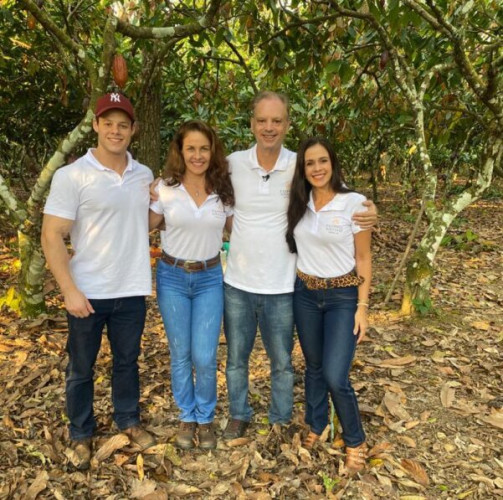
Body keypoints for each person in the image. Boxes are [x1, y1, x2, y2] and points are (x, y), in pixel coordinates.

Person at [222, 91, 378, 439]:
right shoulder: (233, 163)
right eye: (262, 120)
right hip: (240, 283)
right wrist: (162, 189)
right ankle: (240, 414)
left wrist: (369, 210)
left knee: (284, 362)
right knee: (237, 360)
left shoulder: (300, 165)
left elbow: (337, 193)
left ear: (288, 124)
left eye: (277, 121)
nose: (269, 127)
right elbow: (203, 190)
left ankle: (280, 419)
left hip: (284, 285)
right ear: (251, 124)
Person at [41, 93, 156, 470]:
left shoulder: (144, 176)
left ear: (133, 130)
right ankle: (80, 433)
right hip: (87, 292)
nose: (115, 130)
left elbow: (153, 219)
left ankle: (128, 420)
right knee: (81, 368)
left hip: (131, 288)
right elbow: (51, 234)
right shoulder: (72, 175)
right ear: (95, 125)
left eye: (123, 124)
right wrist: (69, 290)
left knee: (127, 362)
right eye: (108, 123)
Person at [286, 137, 371, 473]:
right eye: (310, 163)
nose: (317, 168)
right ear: (302, 169)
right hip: (305, 293)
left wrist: (362, 307)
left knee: (336, 375)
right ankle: (316, 422)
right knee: (314, 367)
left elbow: (363, 257)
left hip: (342, 296)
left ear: (333, 163)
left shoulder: (355, 203)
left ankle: (355, 439)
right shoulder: (298, 202)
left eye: (322, 161)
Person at [149, 120, 234, 450]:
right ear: (180, 152)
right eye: (190, 149)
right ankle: (187, 416)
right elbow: (143, 222)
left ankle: (206, 418)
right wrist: (140, 196)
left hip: (210, 278)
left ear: (212, 152)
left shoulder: (223, 191)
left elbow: (239, 229)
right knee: (181, 353)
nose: (197, 155)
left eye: (204, 148)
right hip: (172, 277)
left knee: (205, 354)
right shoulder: (165, 188)